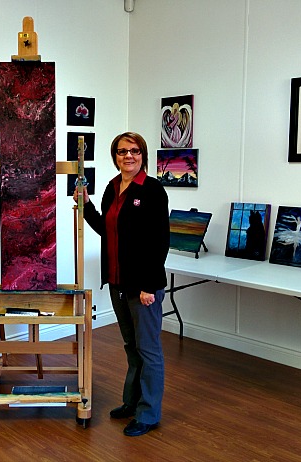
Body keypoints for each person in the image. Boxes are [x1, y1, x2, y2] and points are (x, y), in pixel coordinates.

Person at [74, 132, 169, 437]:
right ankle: (132, 402)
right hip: (117, 282)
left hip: (143, 286)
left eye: (134, 150)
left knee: (149, 349)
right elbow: (106, 228)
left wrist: (149, 285)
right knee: (132, 347)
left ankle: (149, 413)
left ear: (143, 155)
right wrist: (86, 205)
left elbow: (159, 242)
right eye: (122, 151)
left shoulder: (153, 190)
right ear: (114, 156)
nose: (128, 156)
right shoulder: (112, 187)